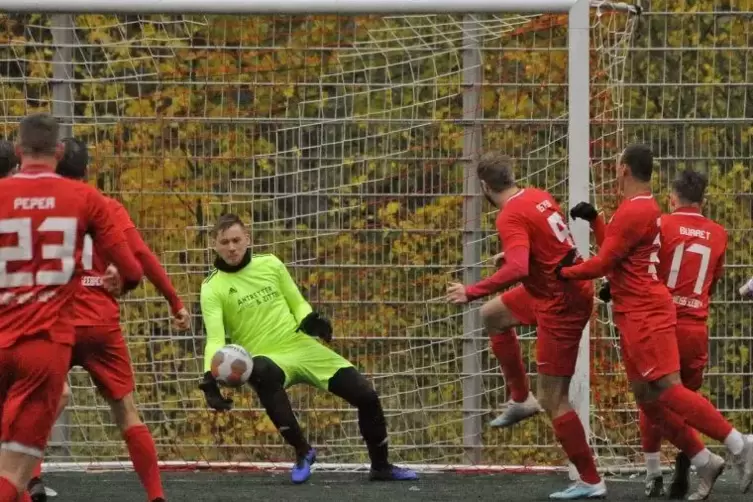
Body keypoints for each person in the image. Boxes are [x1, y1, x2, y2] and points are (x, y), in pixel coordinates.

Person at [562, 144, 753, 500]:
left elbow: (615, 262)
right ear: (703, 200)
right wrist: (599, 225)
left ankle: (734, 446)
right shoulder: (717, 233)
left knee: (666, 394)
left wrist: (563, 274)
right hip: (690, 322)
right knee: (655, 397)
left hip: (652, 315)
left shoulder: (657, 217)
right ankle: (700, 459)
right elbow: (632, 260)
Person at [27, 137, 191, 502]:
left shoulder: (40, 207)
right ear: (88, 170)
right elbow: (141, 257)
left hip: (54, 319)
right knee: (126, 411)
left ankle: (31, 479)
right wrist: (174, 300)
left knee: (41, 400)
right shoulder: (106, 206)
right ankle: (156, 496)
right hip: (100, 322)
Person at [198, 213, 417, 485]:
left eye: (236, 240)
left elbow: (297, 303)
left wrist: (311, 320)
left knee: (366, 394)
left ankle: (381, 466)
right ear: (214, 245)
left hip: (300, 345)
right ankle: (303, 452)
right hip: (268, 357)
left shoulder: (270, 264)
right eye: (224, 242)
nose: (231, 247)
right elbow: (216, 338)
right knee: (260, 371)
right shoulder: (211, 287)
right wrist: (210, 378)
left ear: (248, 239)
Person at [0, 113, 143, 502]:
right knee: (14, 472)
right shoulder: (84, 198)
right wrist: (122, 281)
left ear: (18, 150)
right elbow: (134, 267)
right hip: (41, 347)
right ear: (59, 151)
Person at [445, 152, 602, 500]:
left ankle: (591, 480)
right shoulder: (538, 195)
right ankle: (520, 398)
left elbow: (517, 268)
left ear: (485, 187)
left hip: (562, 303)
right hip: (549, 290)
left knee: (554, 398)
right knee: (493, 315)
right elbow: (549, 246)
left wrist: (470, 290)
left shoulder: (509, 216)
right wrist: (520, 256)